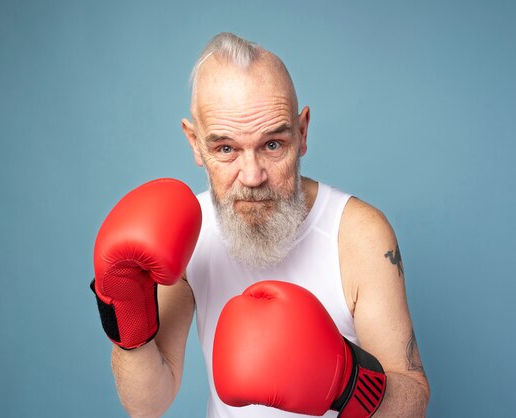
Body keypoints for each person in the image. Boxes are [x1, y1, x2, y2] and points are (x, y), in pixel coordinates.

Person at [91, 32, 430, 417]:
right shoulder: (188, 235)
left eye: (272, 145)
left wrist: (347, 382)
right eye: (226, 149)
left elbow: (414, 400)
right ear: (194, 142)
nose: (252, 176)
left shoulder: (358, 234)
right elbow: (148, 404)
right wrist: (127, 316)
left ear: (302, 133)